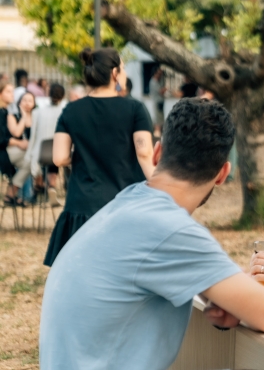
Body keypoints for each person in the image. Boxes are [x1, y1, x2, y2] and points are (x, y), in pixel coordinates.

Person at [39, 98, 264, 370]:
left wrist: (227, 291)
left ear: (157, 153)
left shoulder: (130, 202)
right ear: (222, 173)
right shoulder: (169, 228)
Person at [44, 48, 155, 266]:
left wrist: (85, 153)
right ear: (114, 73)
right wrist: (163, 188)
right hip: (125, 203)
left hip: (82, 205)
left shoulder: (71, 111)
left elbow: (59, 158)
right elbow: (144, 152)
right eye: (122, 69)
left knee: (83, 269)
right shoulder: (135, 109)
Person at [26, 83, 66, 206]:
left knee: (38, 159)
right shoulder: (65, 111)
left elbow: (33, 136)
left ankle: (39, 186)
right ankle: (51, 186)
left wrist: (29, 152)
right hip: (58, 153)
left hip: (40, 152)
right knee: (55, 156)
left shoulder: (38, 112)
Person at [4, 91, 35, 205]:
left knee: (31, 162)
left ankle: (12, 194)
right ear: (19, 102)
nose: (27, 103)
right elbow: (16, 133)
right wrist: (23, 116)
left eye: (30, 100)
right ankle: (26, 194)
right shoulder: (12, 116)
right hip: (13, 150)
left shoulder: (37, 117)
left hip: (28, 152)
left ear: (34, 103)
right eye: (24, 100)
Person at [0, 84, 28, 202]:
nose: (12, 95)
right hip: (3, 153)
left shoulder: (5, 111)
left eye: (12, 92)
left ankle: (11, 193)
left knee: (30, 162)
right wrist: (18, 143)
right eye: (8, 92)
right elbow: (1, 139)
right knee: (31, 156)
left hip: (6, 151)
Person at [149, 67, 167, 136]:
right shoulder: (153, 81)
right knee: (157, 120)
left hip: (160, 102)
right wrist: (165, 88)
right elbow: (161, 91)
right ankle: (157, 135)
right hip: (156, 103)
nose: (160, 75)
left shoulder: (159, 81)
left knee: (161, 119)